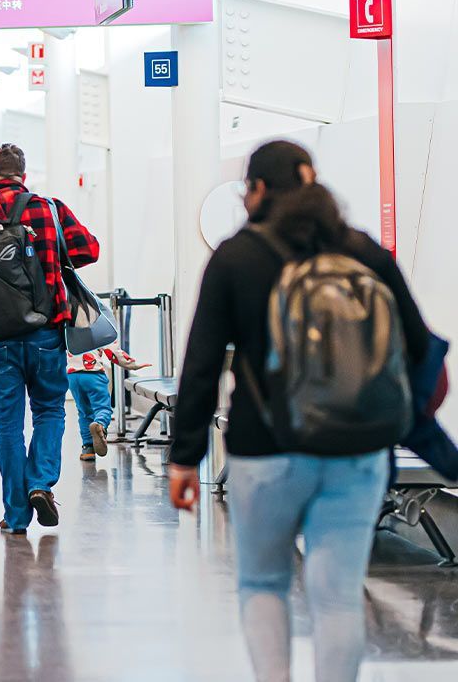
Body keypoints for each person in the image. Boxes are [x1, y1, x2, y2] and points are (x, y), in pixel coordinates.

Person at [169, 140, 430, 682]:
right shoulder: (363, 252)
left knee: (263, 583)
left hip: (265, 449)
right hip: (357, 451)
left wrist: (185, 458)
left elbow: (201, 364)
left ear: (259, 190)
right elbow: (419, 347)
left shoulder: (236, 257)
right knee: (337, 597)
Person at [0, 143, 99, 533]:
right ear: (24, 176)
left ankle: (16, 515)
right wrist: (51, 252)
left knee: (7, 427)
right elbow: (88, 250)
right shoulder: (48, 209)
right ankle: (40, 482)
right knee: (49, 411)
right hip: (45, 334)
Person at [66, 347, 147, 462]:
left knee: (84, 412)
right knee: (103, 409)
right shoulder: (98, 334)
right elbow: (113, 351)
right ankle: (100, 425)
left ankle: (88, 449)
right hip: (94, 374)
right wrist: (133, 365)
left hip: (73, 377)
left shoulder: (67, 334)